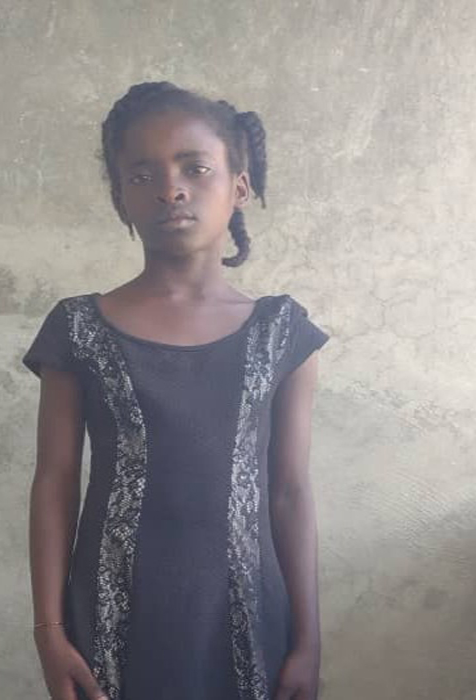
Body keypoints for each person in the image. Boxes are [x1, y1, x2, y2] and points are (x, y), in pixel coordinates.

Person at [22, 81, 330, 700]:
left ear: (239, 186)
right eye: (142, 175)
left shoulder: (282, 332)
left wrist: (309, 641)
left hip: (250, 620)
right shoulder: (78, 329)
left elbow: (290, 491)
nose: (170, 189)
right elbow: (55, 481)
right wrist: (49, 634)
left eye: (195, 167)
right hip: (110, 622)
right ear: (121, 198)